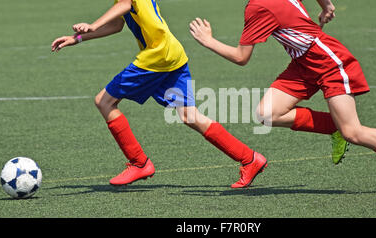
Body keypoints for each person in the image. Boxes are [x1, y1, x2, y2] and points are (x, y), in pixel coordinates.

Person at [189, 0, 376, 192]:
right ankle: (334, 127)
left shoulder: (258, 7)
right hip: (303, 64)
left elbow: (241, 57)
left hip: (329, 62)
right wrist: (327, 4)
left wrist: (208, 41)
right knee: (267, 113)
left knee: (353, 132)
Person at [51, 0, 268, 188]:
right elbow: (118, 24)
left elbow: (126, 4)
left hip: (157, 56)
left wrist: (92, 24)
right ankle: (250, 159)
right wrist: (77, 38)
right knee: (190, 116)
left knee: (104, 101)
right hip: (171, 52)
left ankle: (139, 163)